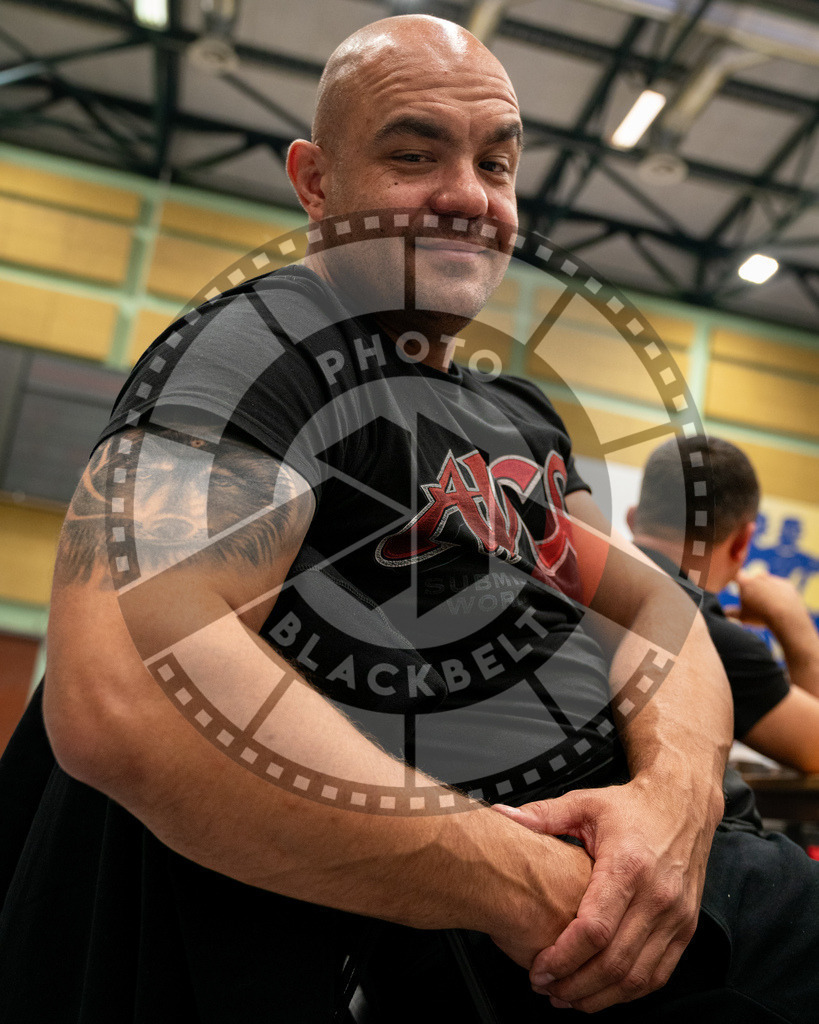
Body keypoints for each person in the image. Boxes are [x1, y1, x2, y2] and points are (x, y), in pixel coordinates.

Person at [0, 14, 816, 1024]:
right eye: (413, 153)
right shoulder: (269, 342)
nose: (469, 195)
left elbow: (663, 615)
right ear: (316, 180)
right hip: (573, 938)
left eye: (497, 162)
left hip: (701, 879)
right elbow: (126, 690)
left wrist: (677, 802)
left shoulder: (519, 414)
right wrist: (534, 886)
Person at [627, 434, 819, 774]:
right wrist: (793, 624)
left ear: (632, 518)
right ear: (743, 542)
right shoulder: (711, 635)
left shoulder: (580, 582)